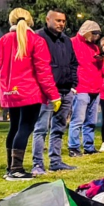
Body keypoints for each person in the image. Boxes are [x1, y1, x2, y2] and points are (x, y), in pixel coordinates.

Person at [0, 8, 60, 181]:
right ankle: (16, 170)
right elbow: (43, 71)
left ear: (11, 21)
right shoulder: (37, 41)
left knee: (14, 128)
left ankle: (10, 168)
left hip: (10, 92)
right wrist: (54, 95)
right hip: (30, 92)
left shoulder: (0, 42)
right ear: (30, 21)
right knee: (25, 128)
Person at [30, 9, 79, 174]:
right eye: (58, 20)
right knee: (41, 129)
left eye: (63, 21)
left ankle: (55, 162)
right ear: (47, 19)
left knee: (58, 128)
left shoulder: (66, 40)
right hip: (46, 92)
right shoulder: (38, 37)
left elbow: (73, 63)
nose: (61, 24)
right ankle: (38, 164)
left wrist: (73, 86)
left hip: (66, 90)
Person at [69, 20, 103, 156]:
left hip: (95, 86)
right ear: (87, 32)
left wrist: (101, 60)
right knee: (78, 119)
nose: (97, 36)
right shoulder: (72, 43)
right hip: (81, 87)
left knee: (91, 121)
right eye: (95, 33)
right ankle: (73, 147)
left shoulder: (94, 47)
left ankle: (89, 146)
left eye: (98, 34)